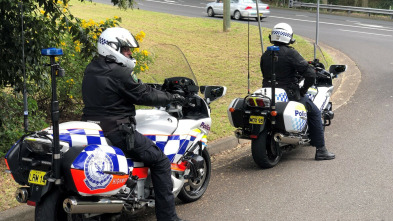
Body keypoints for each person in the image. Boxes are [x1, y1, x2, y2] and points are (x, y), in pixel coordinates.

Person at [81, 27, 186, 221]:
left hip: (93, 128)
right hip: (117, 130)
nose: (130, 53)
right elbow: (144, 94)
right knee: (160, 161)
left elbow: (131, 89)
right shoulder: (119, 72)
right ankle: (168, 218)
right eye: (126, 49)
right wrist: (171, 98)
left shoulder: (92, 67)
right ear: (112, 48)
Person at [260, 23, 335, 161]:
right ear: (288, 37)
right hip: (289, 94)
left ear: (272, 36)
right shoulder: (290, 53)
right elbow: (311, 74)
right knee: (315, 112)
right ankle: (321, 150)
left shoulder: (265, 54)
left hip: (268, 93)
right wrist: (303, 90)